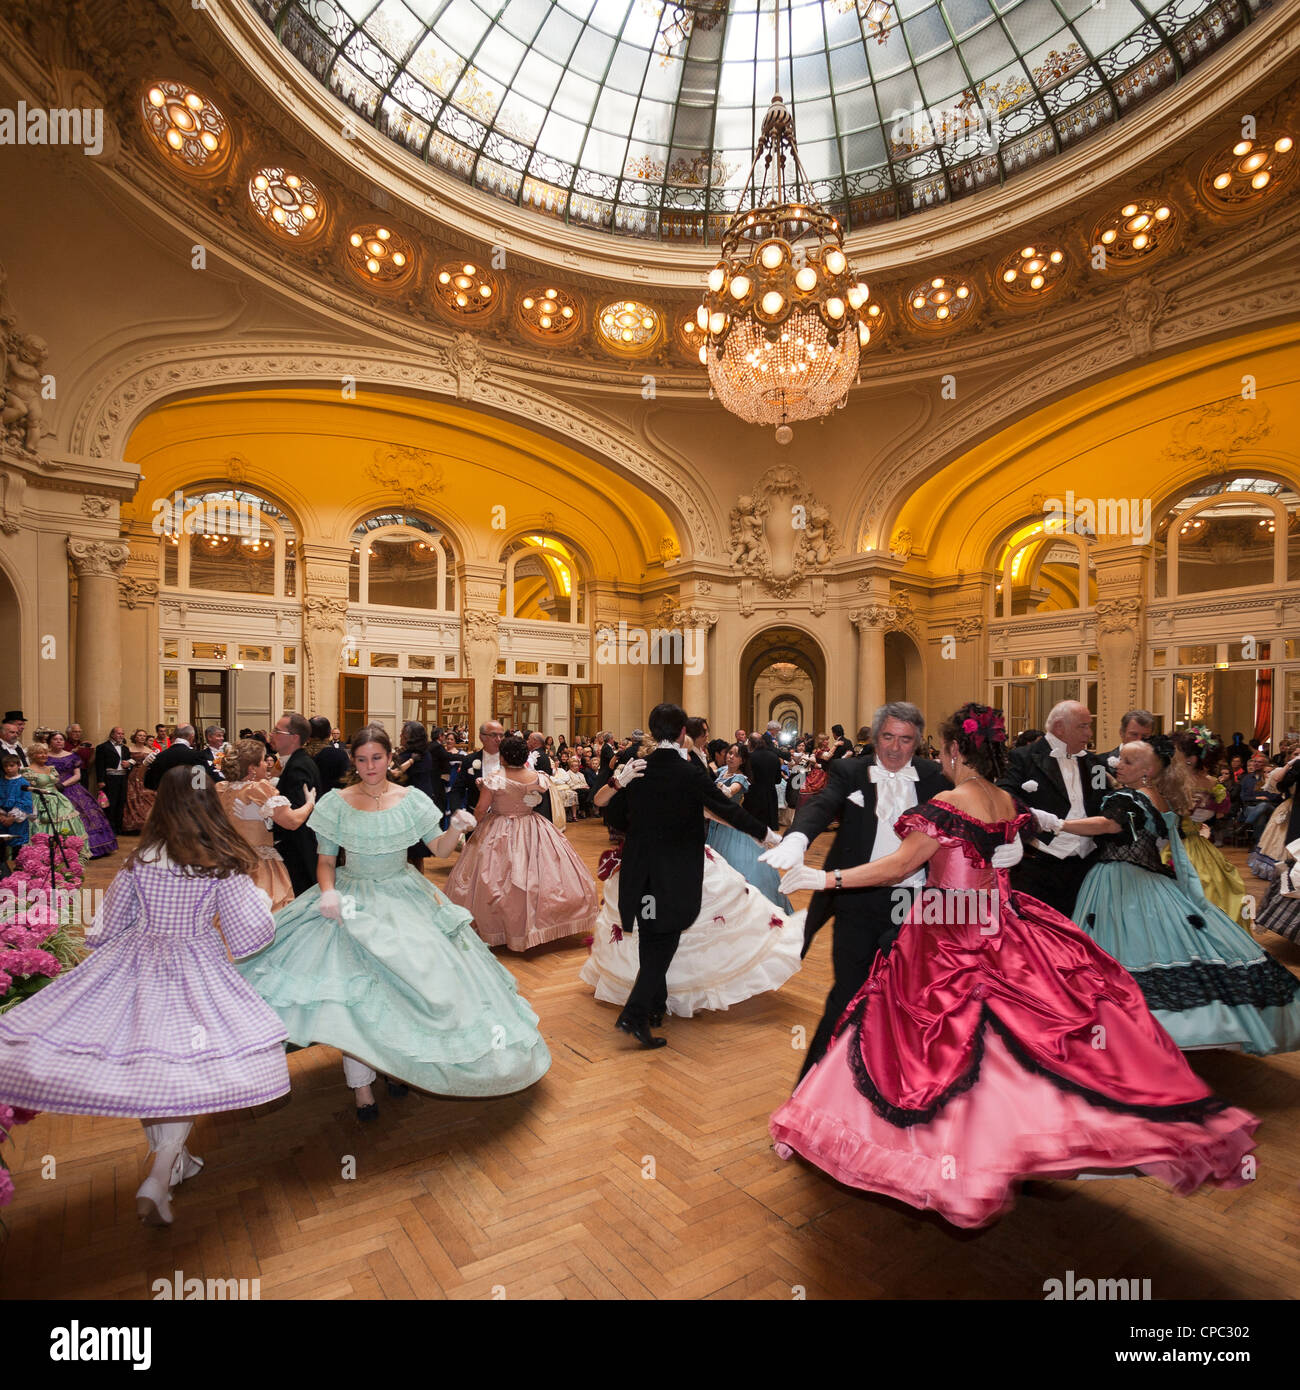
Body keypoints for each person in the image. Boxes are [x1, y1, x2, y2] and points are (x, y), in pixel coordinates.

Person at [768, 704, 1259, 1230]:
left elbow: (900, 864)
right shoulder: (1004, 800)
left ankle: (948, 1158)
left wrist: (824, 881)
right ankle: (1000, 1146)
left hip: (946, 933)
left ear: (954, 751)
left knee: (935, 1046)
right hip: (1001, 925)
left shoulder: (950, 800)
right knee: (1008, 1045)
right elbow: (1006, 850)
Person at [0, 765, 292, 1227]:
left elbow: (111, 923)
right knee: (181, 1073)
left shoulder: (145, 857)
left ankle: (168, 1162)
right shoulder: (219, 859)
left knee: (153, 1071)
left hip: (137, 962)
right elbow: (248, 937)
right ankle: (160, 1173)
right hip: (196, 965)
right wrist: (261, 909)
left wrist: (100, 956)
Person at [235, 725, 550, 1117]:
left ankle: (400, 1064)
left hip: (405, 896)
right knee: (352, 996)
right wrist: (328, 891)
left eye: (377, 758)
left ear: (389, 758)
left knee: (407, 988)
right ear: (354, 761)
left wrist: (455, 828)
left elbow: (437, 849)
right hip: (352, 897)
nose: (370, 766)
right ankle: (362, 1086)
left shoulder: (412, 799)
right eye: (362, 759)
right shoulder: (336, 802)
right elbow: (326, 861)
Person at [762, 701, 993, 1078]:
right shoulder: (850, 769)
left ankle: (890, 1094)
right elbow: (822, 805)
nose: (895, 748)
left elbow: (981, 795)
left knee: (908, 1004)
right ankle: (809, 1100)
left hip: (917, 906)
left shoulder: (936, 776)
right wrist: (798, 838)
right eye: (888, 736)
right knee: (845, 998)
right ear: (875, 736)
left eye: (905, 740)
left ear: (917, 742)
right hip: (858, 898)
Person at [1053, 737, 1300, 1054]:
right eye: (1120, 759)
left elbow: (1110, 825)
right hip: (1148, 877)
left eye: (1127, 761)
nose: (1117, 764)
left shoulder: (1131, 797)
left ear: (1148, 770)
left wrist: (1055, 823)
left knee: (1121, 953)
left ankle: (1130, 1033)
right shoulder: (1158, 796)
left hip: (1120, 881)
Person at [599, 704, 779, 1049]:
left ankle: (650, 1008)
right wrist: (766, 834)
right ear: (683, 733)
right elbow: (727, 809)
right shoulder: (689, 773)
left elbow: (615, 814)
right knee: (663, 940)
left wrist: (621, 786)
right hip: (675, 872)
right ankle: (636, 1012)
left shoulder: (636, 768)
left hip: (640, 870)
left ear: (653, 732)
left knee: (653, 937)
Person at [582, 827, 804, 1017]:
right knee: (658, 933)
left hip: (678, 859)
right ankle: (651, 999)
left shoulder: (682, 778)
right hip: (651, 862)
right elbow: (606, 804)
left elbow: (713, 807)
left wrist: (761, 832)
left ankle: (651, 1001)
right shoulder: (638, 780)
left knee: (668, 931)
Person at [443, 734, 600, 951]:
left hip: (499, 828)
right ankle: (537, 925)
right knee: (543, 874)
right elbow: (537, 796)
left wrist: (471, 827)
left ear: (503, 756)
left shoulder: (496, 778)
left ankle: (502, 927)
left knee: (493, 878)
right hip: (532, 826)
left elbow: (480, 809)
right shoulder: (537, 776)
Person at [996, 700, 1109, 918]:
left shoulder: (1095, 764)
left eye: (1089, 726)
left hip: (1085, 866)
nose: (1090, 733)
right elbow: (1004, 798)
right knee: (1038, 936)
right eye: (1082, 726)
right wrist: (1034, 817)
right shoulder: (1022, 757)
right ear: (1059, 727)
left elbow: (1103, 802)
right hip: (1038, 865)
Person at [215, 739, 316, 911]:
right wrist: (310, 803)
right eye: (263, 761)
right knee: (267, 911)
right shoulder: (258, 789)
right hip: (257, 865)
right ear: (252, 769)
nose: (266, 765)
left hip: (228, 861)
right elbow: (292, 821)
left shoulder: (222, 789)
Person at [1168, 728, 1249, 930]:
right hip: (1199, 842)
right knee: (1217, 887)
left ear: (1191, 759)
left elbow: (1173, 813)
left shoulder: (1177, 781)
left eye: (1178, 752)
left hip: (1177, 842)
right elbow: (1219, 814)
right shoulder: (1213, 783)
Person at [707, 742, 790, 910]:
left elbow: (729, 793)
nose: (731, 757)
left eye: (736, 755)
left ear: (742, 760)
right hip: (717, 825)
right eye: (730, 753)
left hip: (733, 827)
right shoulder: (722, 771)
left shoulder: (741, 778)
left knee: (735, 866)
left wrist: (713, 784)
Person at [269, 712, 323, 897]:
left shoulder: (299, 766)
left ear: (294, 738)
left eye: (277, 731)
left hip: (298, 854)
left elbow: (297, 817)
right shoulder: (294, 762)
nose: (272, 734)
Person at [47, 731, 116, 858]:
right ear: (49, 742)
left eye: (61, 739)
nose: (59, 741)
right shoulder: (44, 756)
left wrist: (63, 785)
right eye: (55, 739)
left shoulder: (72, 756)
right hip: (50, 789)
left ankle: (86, 847)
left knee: (85, 815)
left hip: (71, 789)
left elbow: (77, 775)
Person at [22, 741, 89, 863]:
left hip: (57, 798)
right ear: (32, 755)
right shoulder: (28, 771)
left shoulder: (51, 768)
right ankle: (44, 856)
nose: (44, 755)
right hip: (39, 800)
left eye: (45, 753)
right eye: (40, 753)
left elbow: (54, 783)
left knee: (67, 821)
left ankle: (67, 854)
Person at [94, 726, 135, 835]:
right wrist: (100, 780)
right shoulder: (102, 747)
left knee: (121, 803)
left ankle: (118, 827)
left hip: (123, 778)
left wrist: (129, 765)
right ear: (112, 734)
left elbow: (130, 763)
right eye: (118, 733)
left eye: (122, 734)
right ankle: (109, 828)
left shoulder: (125, 748)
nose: (121, 736)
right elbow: (99, 765)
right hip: (110, 778)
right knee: (110, 804)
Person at [143, 724, 204, 791]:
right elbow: (199, 785)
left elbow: (150, 784)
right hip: (188, 798)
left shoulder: (160, 756)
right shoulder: (197, 756)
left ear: (174, 736)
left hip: (166, 798)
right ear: (191, 736)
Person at [743, 729, 782, 832]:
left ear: (750, 743)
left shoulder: (750, 758)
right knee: (769, 830)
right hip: (770, 795)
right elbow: (778, 780)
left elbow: (747, 778)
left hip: (754, 796)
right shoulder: (774, 757)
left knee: (754, 828)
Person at [122, 729, 157, 834]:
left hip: (144, 775)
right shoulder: (129, 749)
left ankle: (146, 823)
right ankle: (131, 825)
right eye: (140, 735)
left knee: (146, 797)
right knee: (131, 797)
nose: (142, 737)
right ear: (135, 737)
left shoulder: (149, 750)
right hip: (132, 775)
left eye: (144, 735)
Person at [0, 753, 33, 863]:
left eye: (11, 765)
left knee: (17, 844)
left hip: (17, 819)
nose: (8, 769)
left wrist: (12, 817)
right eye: (6, 766)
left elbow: (26, 802)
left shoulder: (23, 782)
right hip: (2, 818)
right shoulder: (1, 781)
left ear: (18, 765)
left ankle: (17, 868)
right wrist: (1, 815)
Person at [312, 715, 351, 791]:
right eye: (334, 733)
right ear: (330, 734)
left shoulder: (303, 756)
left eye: (337, 733)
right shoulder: (340, 755)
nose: (336, 735)